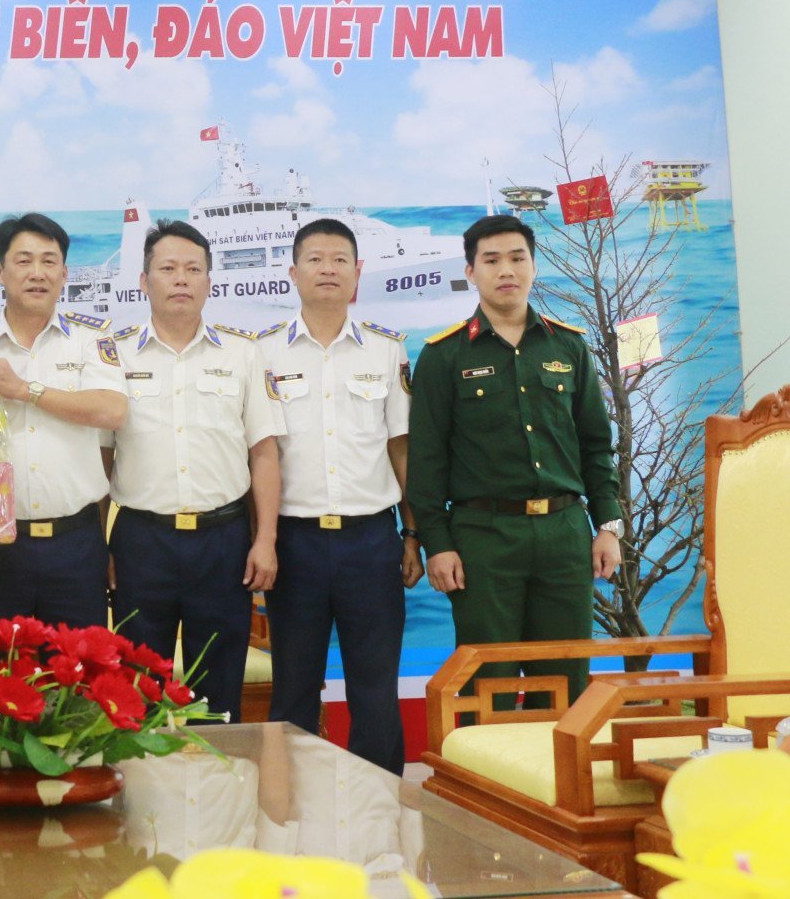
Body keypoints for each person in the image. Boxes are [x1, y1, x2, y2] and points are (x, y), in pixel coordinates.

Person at [408, 214, 621, 709]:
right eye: (492, 260)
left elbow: (596, 445)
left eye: (517, 258)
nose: (506, 270)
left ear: (533, 265)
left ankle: (559, 787)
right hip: (484, 541)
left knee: (566, 685)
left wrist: (608, 526)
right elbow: (426, 460)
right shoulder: (443, 356)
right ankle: (489, 786)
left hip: (565, 537)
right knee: (488, 687)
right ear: (471, 272)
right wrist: (436, 544)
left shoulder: (569, 346)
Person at [255, 219, 422, 773]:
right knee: (294, 690)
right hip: (294, 544)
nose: (328, 269)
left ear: (357, 273)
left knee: (374, 691)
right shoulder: (262, 355)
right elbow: (259, 455)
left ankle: (381, 826)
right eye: (316, 259)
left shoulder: (386, 350)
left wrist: (413, 533)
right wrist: (265, 541)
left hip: (370, 543)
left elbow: (402, 450)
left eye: (339, 260)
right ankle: (289, 819)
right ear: (293, 272)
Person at [108, 220, 281, 724]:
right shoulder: (113, 355)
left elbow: (264, 453)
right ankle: (141, 798)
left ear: (209, 281)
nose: (180, 279)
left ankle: (218, 799)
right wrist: (102, 543)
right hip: (142, 540)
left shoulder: (243, 353)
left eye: (193, 269)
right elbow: (100, 456)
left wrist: (265, 539)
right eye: (167, 269)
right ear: (144, 281)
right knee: (138, 691)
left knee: (217, 693)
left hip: (222, 541)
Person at [0, 213, 125, 626]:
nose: (37, 273)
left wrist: (23, 390)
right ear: (0, 271)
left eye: (49, 261)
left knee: (78, 680)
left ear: (65, 273)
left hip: (76, 545)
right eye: (24, 261)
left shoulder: (92, 339)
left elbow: (112, 409)